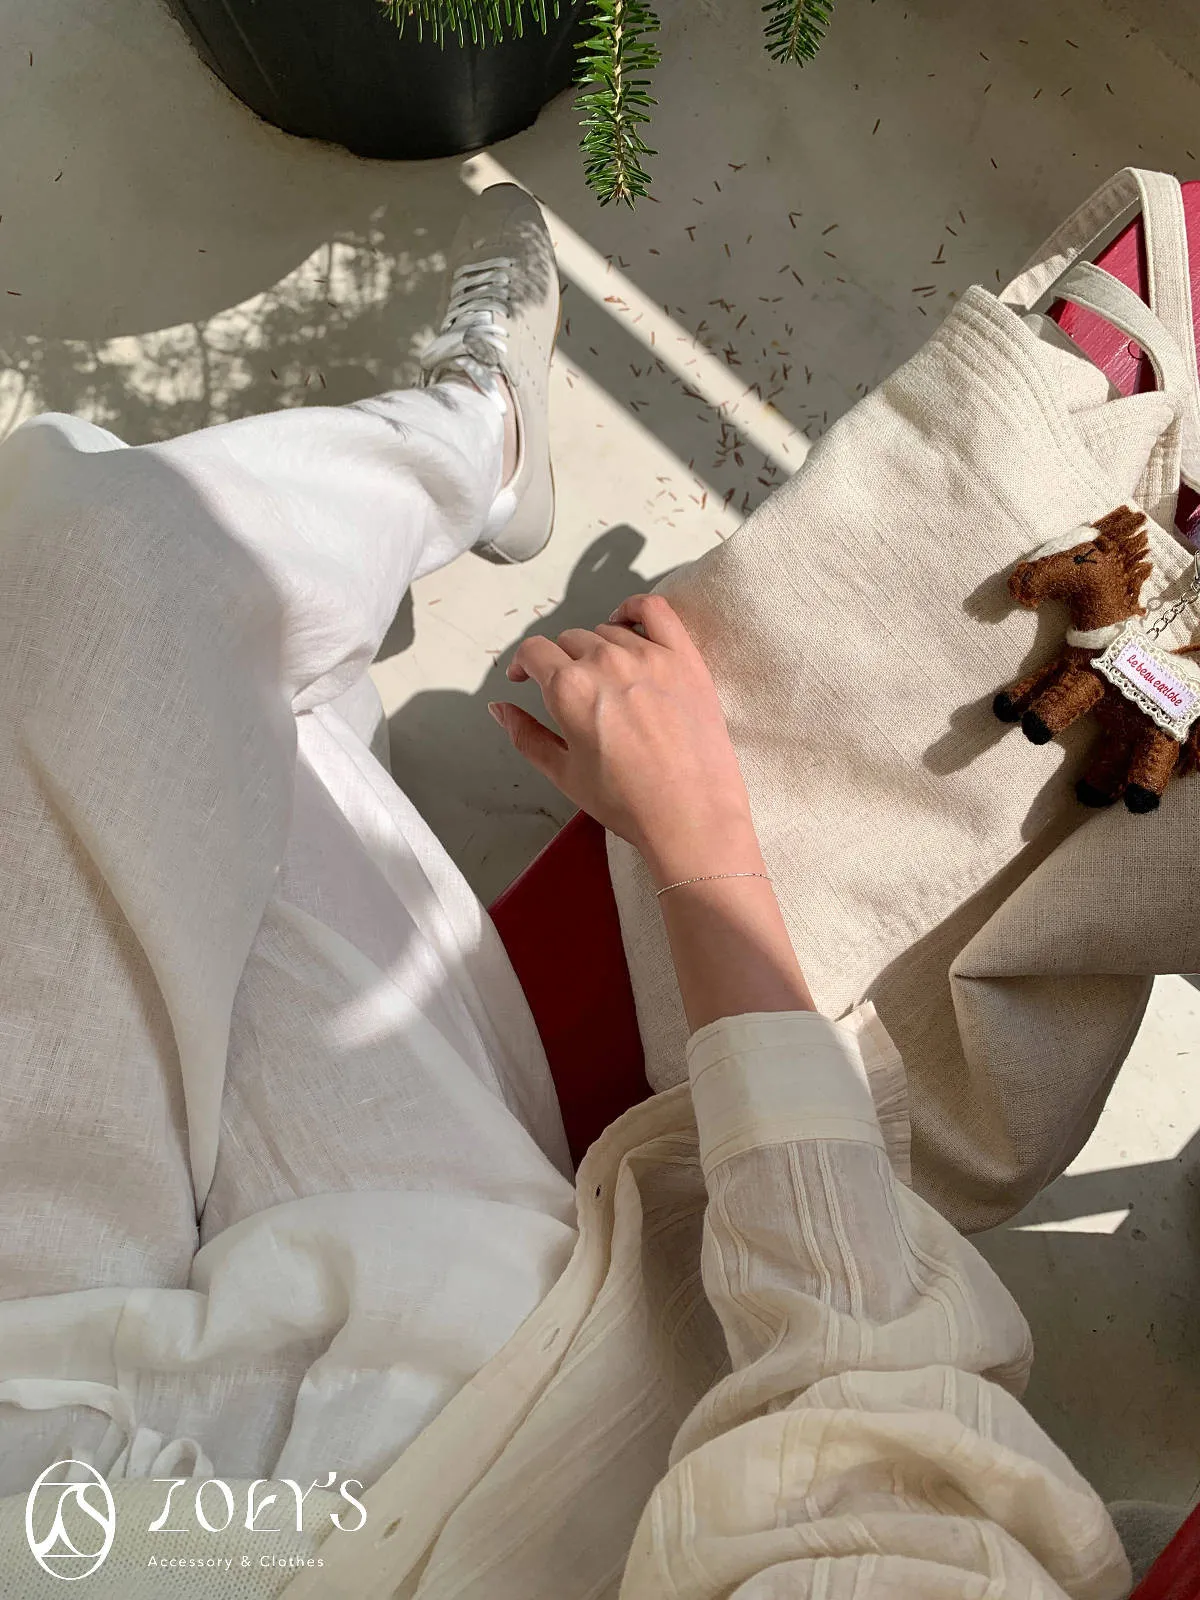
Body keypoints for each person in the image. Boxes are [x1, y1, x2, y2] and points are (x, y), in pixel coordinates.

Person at [0, 184, 1134, 1596]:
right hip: (400, 1446)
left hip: (155, 1507)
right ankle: (469, 447)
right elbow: (860, 1372)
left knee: (121, 592)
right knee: (120, 562)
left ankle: (432, 487)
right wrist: (701, 840)